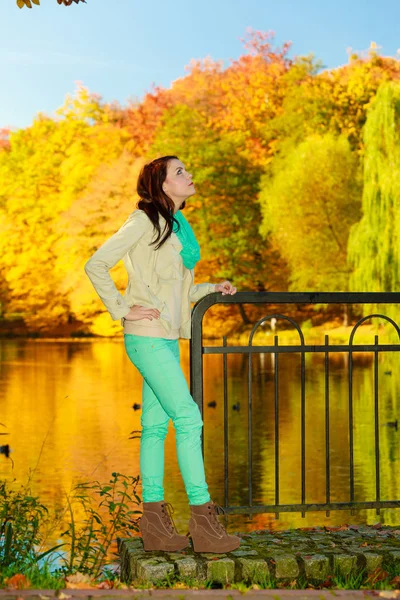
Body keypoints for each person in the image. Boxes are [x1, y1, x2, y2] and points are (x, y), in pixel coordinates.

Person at [84, 155, 240, 553]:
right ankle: (203, 524)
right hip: (145, 336)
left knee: (156, 428)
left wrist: (211, 288)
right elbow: (96, 264)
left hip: (166, 337)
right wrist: (121, 309)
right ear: (162, 184)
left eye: (188, 169)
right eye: (180, 172)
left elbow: (178, 293)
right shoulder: (143, 221)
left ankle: (153, 526)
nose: (189, 175)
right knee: (189, 418)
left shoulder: (178, 229)